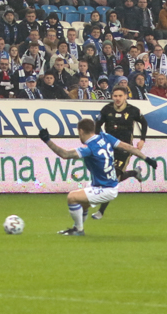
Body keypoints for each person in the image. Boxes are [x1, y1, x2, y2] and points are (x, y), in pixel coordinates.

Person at [38, 118, 157, 236]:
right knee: (83, 204)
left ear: (81, 131)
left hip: (106, 189)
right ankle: (77, 228)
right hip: (107, 185)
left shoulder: (89, 148)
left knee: (72, 197)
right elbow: (128, 147)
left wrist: (47, 140)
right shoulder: (104, 136)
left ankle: (78, 230)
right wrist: (147, 159)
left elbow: (65, 154)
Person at [91, 84, 148, 220]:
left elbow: (144, 123)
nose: (117, 98)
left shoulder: (133, 110)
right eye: (115, 96)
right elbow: (97, 125)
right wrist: (97, 141)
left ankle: (101, 211)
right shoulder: (106, 109)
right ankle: (134, 173)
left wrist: (142, 140)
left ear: (126, 96)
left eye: (120, 96)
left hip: (125, 148)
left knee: (114, 178)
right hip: (108, 148)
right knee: (109, 177)